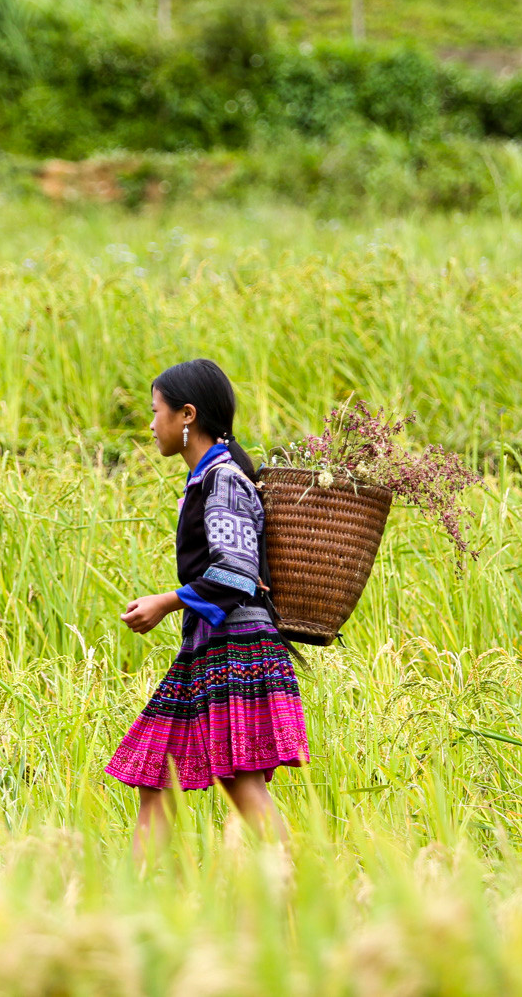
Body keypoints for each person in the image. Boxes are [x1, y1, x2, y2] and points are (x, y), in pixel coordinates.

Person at [106, 359, 307, 860]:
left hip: (235, 647)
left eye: (157, 412)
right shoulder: (206, 480)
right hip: (207, 648)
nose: (152, 425)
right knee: (155, 775)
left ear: (187, 416)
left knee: (240, 781)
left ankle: (299, 890)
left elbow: (235, 574)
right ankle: (138, 901)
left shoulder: (224, 480)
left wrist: (166, 603)